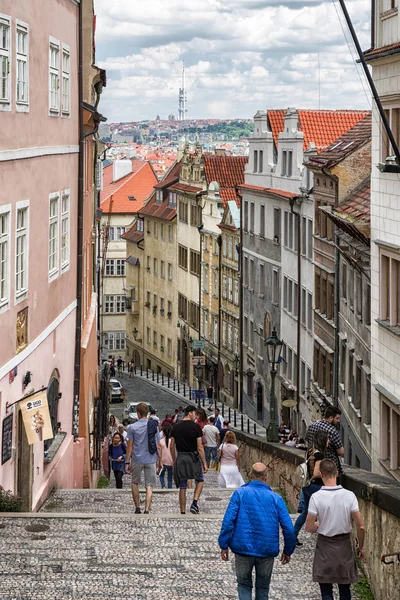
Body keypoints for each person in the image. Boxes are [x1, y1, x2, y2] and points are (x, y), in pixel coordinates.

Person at [218, 462, 296, 600]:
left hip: (242, 548)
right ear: (266, 476)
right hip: (266, 549)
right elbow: (289, 528)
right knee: (263, 588)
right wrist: (288, 550)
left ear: (250, 475)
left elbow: (228, 521)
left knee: (243, 585)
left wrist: (224, 544)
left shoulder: (240, 494)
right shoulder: (276, 498)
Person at [306, 459, 365, 600]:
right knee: (345, 588)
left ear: (320, 474)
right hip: (344, 546)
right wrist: (360, 547)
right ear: (337, 473)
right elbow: (361, 526)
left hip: (325, 547)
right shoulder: (349, 496)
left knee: (326, 590)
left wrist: (319, 524)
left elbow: (309, 527)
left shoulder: (316, 497)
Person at [170, 405, 208, 514]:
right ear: (190, 413)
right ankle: (194, 503)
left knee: (183, 486)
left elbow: (172, 445)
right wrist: (204, 463)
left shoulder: (176, 427)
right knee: (200, 480)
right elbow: (200, 447)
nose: (195, 416)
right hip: (193, 457)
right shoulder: (196, 427)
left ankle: (182, 511)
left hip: (181, 457)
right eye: (195, 414)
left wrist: (174, 460)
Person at [294, 429, 328, 546]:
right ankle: (326, 538)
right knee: (325, 511)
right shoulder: (319, 455)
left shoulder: (311, 452)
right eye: (327, 439)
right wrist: (327, 474)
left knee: (305, 513)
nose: (328, 441)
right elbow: (316, 473)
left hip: (307, 486)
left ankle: (293, 535)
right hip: (316, 486)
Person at [125, 402, 160, 514]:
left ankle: (137, 507)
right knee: (149, 485)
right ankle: (147, 508)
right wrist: (160, 459)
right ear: (147, 413)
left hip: (137, 459)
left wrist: (127, 462)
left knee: (135, 482)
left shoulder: (132, 427)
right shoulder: (154, 426)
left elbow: (130, 446)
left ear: (138, 414)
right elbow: (158, 444)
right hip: (151, 458)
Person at [306, 407, 344, 477]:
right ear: (330, 418)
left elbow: (308, 441)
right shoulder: (332, 431)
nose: (338, 421)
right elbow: (340, 452)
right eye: (337, 418)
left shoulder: (312, 426)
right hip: (329, 468)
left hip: (312, 465)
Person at [157, 422, 174, 489]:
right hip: (171, 460)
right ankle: (170, 487)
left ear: (163, 432)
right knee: (170, 476)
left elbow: (159, 453)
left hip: (163, 461)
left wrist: (159, 462)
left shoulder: (160, 442)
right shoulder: (172, 441)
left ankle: (163, 486)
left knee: (161, 475)